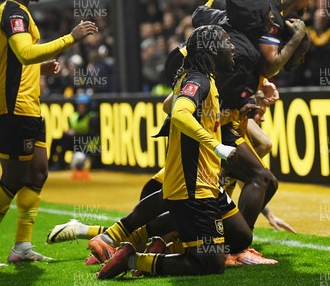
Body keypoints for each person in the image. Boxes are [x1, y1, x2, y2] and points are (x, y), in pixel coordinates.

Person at [0, 0, 98, 268]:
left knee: (38, 172)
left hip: (28, 107)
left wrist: (38, 68)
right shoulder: (12, 13)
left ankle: (21, 246)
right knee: (12, 179)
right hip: (14, 109)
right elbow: (23, 53)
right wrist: (70, 38)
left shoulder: (13, 14)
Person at [97, 25, 252, 279]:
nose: (232, 46)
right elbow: (179, 113)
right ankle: (133, 259)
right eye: (227, 41)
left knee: (241, 235)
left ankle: (132, 238)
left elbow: (169, 105)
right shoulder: (198, 80)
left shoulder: (199, 77)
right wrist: (216, 146)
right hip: (193, 186)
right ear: (212, 49)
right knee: (212, 265)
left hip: (205, 181)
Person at [49, 93, 100, 170]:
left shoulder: (92, 118)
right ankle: (52, 163)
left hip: (88, 145)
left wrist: (75, 134)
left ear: (87, 107)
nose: (80, 107)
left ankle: (61, 165)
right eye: (79, 105)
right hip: (76, 142)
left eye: (83, 105)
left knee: (67, 139)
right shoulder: (74, 117)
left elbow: (91, 136)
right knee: (59, 140)